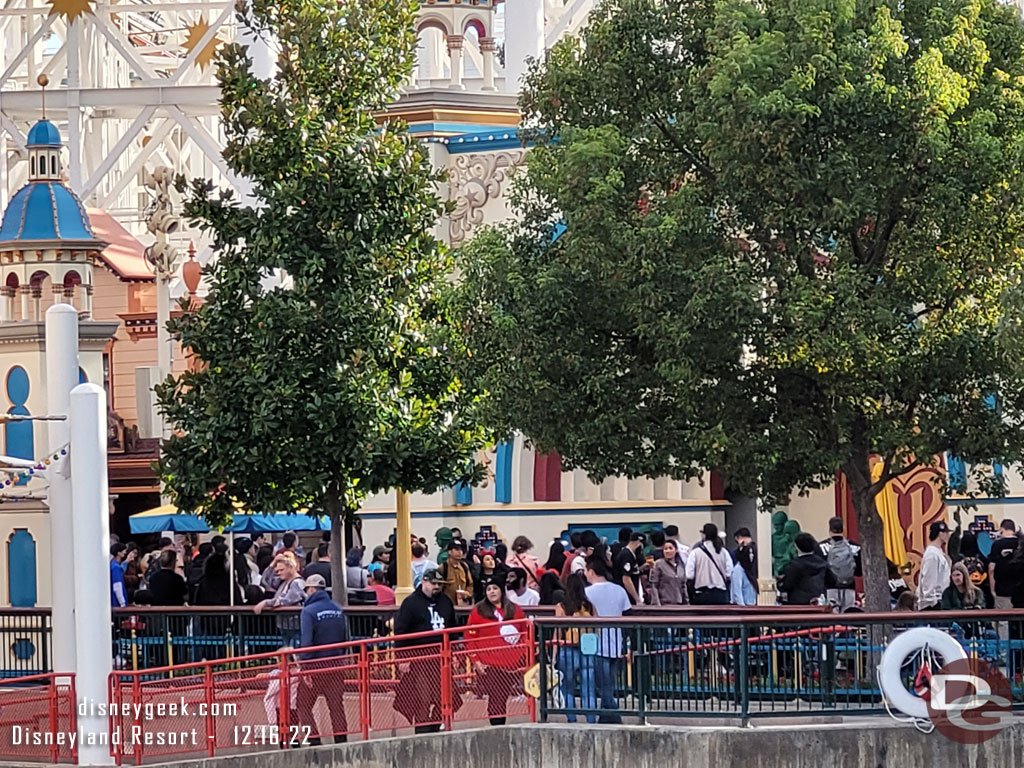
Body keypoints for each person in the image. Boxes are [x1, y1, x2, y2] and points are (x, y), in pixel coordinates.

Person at [393, 568, 457, 733]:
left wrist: (455, 653)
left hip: (442, 658)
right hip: (419, 658)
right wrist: (402, 657)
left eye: (439, 584)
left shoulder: (445, 601)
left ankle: (434, 726)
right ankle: (421, 732)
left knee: (447, 697)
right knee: (423, 697)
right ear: (424, 582)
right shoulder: (411, 603)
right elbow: (401, 632)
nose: (436, 587)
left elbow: (453, 629)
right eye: (433, 583)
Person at [465, 578, 527, 725]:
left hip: (511, 664)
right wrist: (476, 660)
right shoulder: (478, 611)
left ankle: (498, 725)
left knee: (502, 695)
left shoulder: (514, 609)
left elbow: (525, 632)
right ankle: (497, 726)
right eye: (489, 589)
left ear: (501, 590)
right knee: (496, 696)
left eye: (495, 588)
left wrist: (522, 654)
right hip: (489, 664)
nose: (492, 592)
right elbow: (470, 637)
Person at [296, 574, 349, 745]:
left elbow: (307, 643)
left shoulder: (308, 612)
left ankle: (314, 740)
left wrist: (305, 668)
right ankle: (341, 741)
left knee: (302, 704)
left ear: (311, 589)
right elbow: (345, 639)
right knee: (336, 706)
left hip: (316, 667)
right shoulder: (338, 610)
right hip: (336, 666)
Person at [583, 555, 630, 723]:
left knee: (604, 688)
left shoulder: (586, 593)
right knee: (609, 685)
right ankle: (606, 719)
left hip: (595, 644)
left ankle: (615, 718)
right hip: (616, 643)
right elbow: (626, 612)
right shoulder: (619, 590)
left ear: (591, 571)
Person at [554, 573, 596, 723]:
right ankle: (591, 719)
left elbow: (557, 630)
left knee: (567, 686)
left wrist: (553, 654)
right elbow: (597, 627)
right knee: (588, 688)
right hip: (588, 646)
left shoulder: (562, 606)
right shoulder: (589, 605)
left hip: (568, 647)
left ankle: (572, 719)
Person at [254, 553, 306, 647]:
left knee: (294, 654)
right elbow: (265, 580)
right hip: (284, 625)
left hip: (295, 626)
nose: (279, 573)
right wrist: (272, 564)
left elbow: (286, 600)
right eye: (277, 571)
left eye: (281, 570)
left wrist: (266, 602)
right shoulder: (283, 582)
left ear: (291, 567)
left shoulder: (298, 583)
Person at [818, 517, 861, 612]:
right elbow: (859, 571)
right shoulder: (855, 547)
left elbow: (819, 570)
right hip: (849, 587)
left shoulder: (821, 547)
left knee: (833, 617)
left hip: (830, 587)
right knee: (849, 616)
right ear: (843, 529)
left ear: (829, 529)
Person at [685, 523, 733, 605]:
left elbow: (689, 575)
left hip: (701, 593)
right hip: (720, 593)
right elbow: (729, 572)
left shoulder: (695, 552)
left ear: (704, 535)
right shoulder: (723, 552)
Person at [778, 533, 827, 606]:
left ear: (796, 547)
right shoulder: (823, 563)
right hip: (819, 601)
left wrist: (780, 583)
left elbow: (787, 585)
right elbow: (831, 581)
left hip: (798, 602)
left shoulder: (795, 565)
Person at [917, 521, 952, 611]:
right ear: (940, 534)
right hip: (933, 604)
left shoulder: (938, 552)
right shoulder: (932, 554)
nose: (948, 535)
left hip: (940, 599)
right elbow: (929, 578)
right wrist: (932, 602)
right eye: (946, 532)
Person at [988, 519, 1019, 613]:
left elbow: (991, 568)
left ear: (1002, 529)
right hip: (1020, 590)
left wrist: (992, 590)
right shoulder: (1021, 543)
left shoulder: (997, 544)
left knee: (1003, 621)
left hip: (1002, 590)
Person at [648, 539, 687, 605]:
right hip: (664, 603)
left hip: (679, 604)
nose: (668, 551)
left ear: (676, 550)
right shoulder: (658, 564)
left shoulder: (681, 565)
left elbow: (684, 586)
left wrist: (686, 603)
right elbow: (654, 586)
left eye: (670, 548)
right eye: (665, 549)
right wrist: (657, 604)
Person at [440, 538, 475, 606]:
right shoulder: (443, 568)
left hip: (463, 605)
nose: (460, 552)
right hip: (447, 605)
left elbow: (470, 584)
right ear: (450, 552)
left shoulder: (464, 567)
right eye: (457, 549)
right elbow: (439, 587)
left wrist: (467, 593)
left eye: (461, 550)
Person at [612, 532, 645, 605]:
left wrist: (642, 568)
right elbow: (626, 579)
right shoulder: (626, 555)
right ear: (638, 543)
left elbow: (633, 571)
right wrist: (637, 599)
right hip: (628, 598)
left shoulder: (631, 554)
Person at [110, 543, 128, 608]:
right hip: (117, 604)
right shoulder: (116, 567)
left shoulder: (112, 565)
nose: (125, 552)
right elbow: (117, 586)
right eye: (123, 550)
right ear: (119, 553)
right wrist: (122, 603)